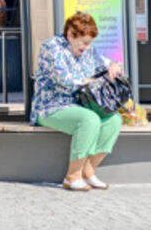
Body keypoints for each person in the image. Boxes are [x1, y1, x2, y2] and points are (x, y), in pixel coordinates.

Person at [34, 11, 125, 191]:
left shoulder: (88, 50)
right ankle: (72, 176)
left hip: (79, 105)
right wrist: (91, 81)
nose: (86, 47)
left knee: (114, 120)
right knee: (89, 119)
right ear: (70, 35)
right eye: (83, 42)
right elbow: (65, 80)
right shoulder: (52, 47)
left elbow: (107, 63)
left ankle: (88, 171)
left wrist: (115, 66)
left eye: (89, 43)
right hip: (51, 106)